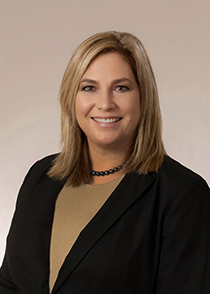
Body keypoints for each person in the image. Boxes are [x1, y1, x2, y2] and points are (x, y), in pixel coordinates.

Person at [0, 31, 209, 294]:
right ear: (71, 99)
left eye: (121, 88)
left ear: (143, 98)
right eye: (89, 88)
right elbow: (8, 283)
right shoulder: (41, 176)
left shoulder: (182, 194)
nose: (105, 103)